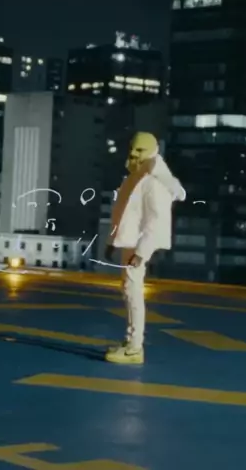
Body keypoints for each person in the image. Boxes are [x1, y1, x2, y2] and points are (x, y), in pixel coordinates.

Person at [103, 132, 185, 364]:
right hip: (131, 243)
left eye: (139, 150)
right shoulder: (137, 177)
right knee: (129, 290)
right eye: (133, 148)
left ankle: (134, 347)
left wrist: (141, 253)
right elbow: (122, 212)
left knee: (133, 292)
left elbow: (155, 222)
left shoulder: (152, 182)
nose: (134, 154)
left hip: (137, 246)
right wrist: (112, 241)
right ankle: (132, 343)